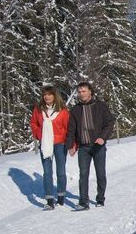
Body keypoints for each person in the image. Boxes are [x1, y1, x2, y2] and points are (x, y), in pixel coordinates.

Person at [65, 82, 115, 210]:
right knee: (83, 174)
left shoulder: (100, 106)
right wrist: (70, 145)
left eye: (84, 91)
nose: (81, 94)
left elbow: (109, 123)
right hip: (83, 147)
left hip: (97, 145)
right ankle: (83, 202)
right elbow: (71, 129)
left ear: (90, 92)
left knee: (100, 174)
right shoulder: (76, 109)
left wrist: (103, 138)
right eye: (79, 92)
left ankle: (100, 198)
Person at [30, 85, 70, 210]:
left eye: (49, 94)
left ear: (54, 96)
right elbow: (34, 123)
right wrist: (38, 134)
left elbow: (67, 126)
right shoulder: (38, 110)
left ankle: (61, 195)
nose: (47, 97)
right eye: (45, 94)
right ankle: (49, 200)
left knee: (61, 171)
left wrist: (70, 142)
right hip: (45, 144)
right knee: (47, 172)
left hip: (60, 143)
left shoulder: (62, 110)